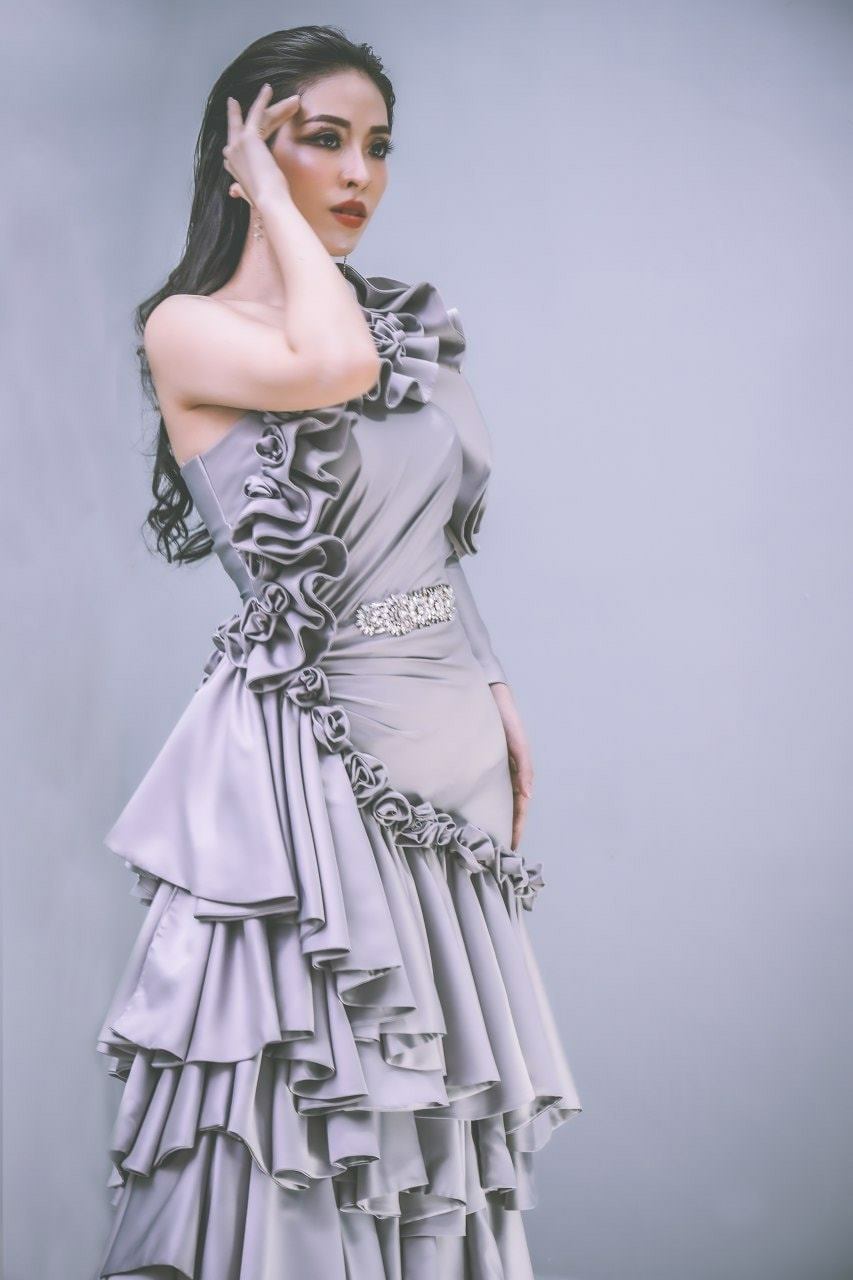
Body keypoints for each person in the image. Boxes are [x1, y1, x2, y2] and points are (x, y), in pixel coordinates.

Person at [96, 23, 582, 1280]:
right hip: (315, 773)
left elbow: (433, 531)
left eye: (377, 146)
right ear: (247, 154)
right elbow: (332, 365)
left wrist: (493, 682)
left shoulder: (393, 319)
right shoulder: (187, 328)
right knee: (314, 1108)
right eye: (322, 140)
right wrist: (265, 201)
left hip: (446, 758)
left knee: (429, 1121)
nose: (360, 173)